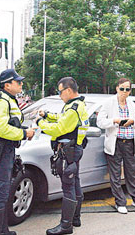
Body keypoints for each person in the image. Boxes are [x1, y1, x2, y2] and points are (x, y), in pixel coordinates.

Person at [0, 69, 35, 235]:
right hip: (1, 150)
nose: (21, 84)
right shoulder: (2, 101)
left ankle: (3, 230)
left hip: (5, 149)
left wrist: (23, 129)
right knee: (1, 194)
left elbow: (10, 123)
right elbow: (0, 128)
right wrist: (23, 133)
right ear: (7, 85)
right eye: (18, 82)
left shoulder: (9, 99)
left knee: (4, 192)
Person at [36, 77, 89, 235]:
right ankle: (75, 218)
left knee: (68, 187)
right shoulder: (76, 105)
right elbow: (63, 119)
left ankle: (66, 226)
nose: (59, 95)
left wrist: (40, 122)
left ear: (68, 90)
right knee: (75, 183)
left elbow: (59, 128)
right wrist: (47, 115)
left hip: (69, 151)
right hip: (74, 149)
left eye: (60, 92)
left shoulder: (73, 108)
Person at [97, 78, 135, 214]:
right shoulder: (109, 103)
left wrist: (132, 122)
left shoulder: (131, 103)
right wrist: (115, 121)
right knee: (115, 174)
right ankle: (120, 202)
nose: (124, 92)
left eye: (127, 89)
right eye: (122, 89)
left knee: (131, 173)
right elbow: (100, 122)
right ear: (117, 88)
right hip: (115, 142)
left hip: (129, 141)